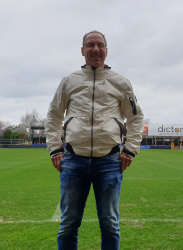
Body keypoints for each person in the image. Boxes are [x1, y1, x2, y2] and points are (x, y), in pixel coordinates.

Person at [45, 30, 144, 250]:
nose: (96, 49)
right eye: (90, 45)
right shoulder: (69, 82)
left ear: (107, 50)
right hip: (73, 161)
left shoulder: (121, 82)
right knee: (68, 225)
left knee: (110, 225)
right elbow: (53, 115)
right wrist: (55, 148)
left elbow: (135, 118)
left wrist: (129, 149)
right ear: (82, 51)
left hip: (109, 162)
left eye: (100, 45)